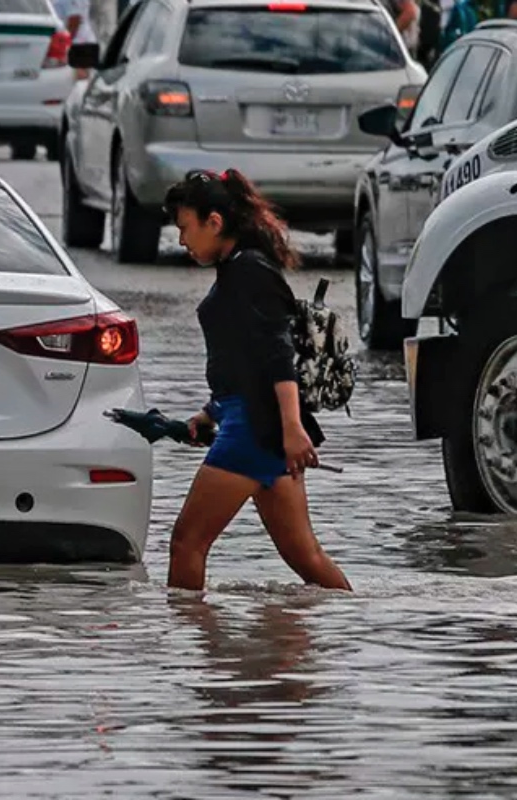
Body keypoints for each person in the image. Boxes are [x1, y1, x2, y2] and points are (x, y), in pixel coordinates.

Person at [162, 169, 353, 594]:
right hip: (252, 422)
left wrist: (291, 429)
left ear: (214, 222)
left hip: (255, 430)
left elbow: (276, 354)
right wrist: (211, 412)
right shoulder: (236, 269)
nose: (181, 241)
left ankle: (185, 653)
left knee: (187, 543)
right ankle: (350, 629)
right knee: (306, 558)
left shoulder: (250, 270)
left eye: (185, 228)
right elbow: (244, 360)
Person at [50, 0, 96, 80]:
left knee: (77, 85)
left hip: (78, 45)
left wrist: (63, 48)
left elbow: (74, 22)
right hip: (78, 43)